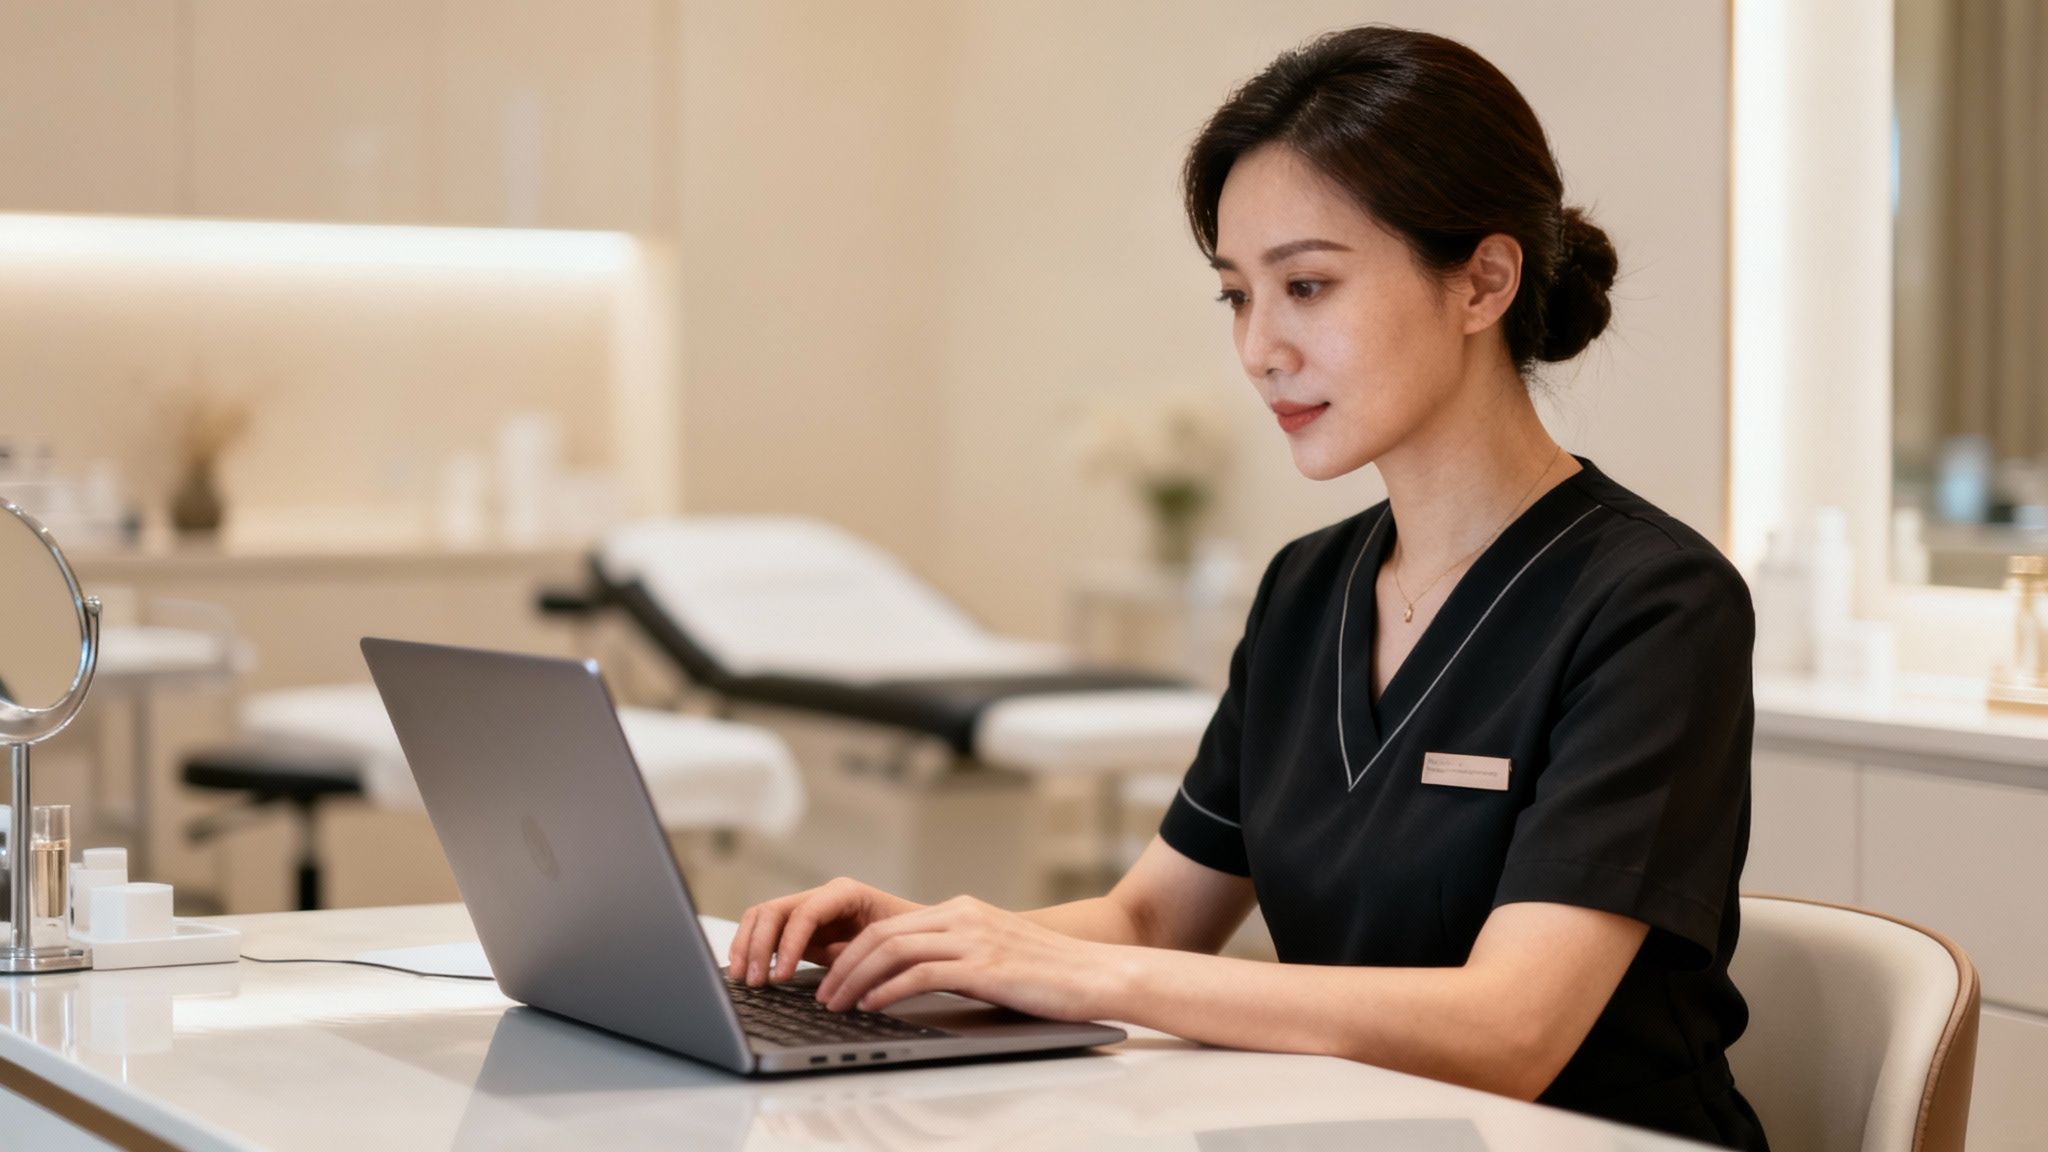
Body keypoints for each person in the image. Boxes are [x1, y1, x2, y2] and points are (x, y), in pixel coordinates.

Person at [728, 25, 1767, 1150]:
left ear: (1482, 281)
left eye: (1306, 286)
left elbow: (1505, 1032)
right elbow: (1149, 918)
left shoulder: (1654, 604)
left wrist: (1080, 975)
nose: (1260, 348)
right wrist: (933, 942)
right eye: (1235, 296)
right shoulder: (1306, 591)